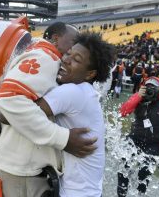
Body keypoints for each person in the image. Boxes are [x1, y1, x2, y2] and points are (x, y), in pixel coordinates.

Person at [0, 22, 97, 197]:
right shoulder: (47, 57)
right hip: (21, 173)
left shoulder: (37, 53)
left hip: (17, 167)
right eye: (73, 41)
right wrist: (62, 138)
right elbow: (10, 98)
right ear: (56, 39)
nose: (77, 46)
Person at [36, 32, 114, 196]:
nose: (65, 59)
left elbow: (17, 115)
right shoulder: (85, 92)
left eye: (76, 59)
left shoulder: (73, 92)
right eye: (68, 53)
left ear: (90, 74)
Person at [117, 76, 159, 197]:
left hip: (155, 144)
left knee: (144, 172)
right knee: (123, 168)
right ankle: (121, 194)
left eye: (153, 89)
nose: (150, 92)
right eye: (147, 88)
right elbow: (122, 112)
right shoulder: (139, 98)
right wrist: (137, 96)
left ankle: (140, 193)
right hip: (134, 139)